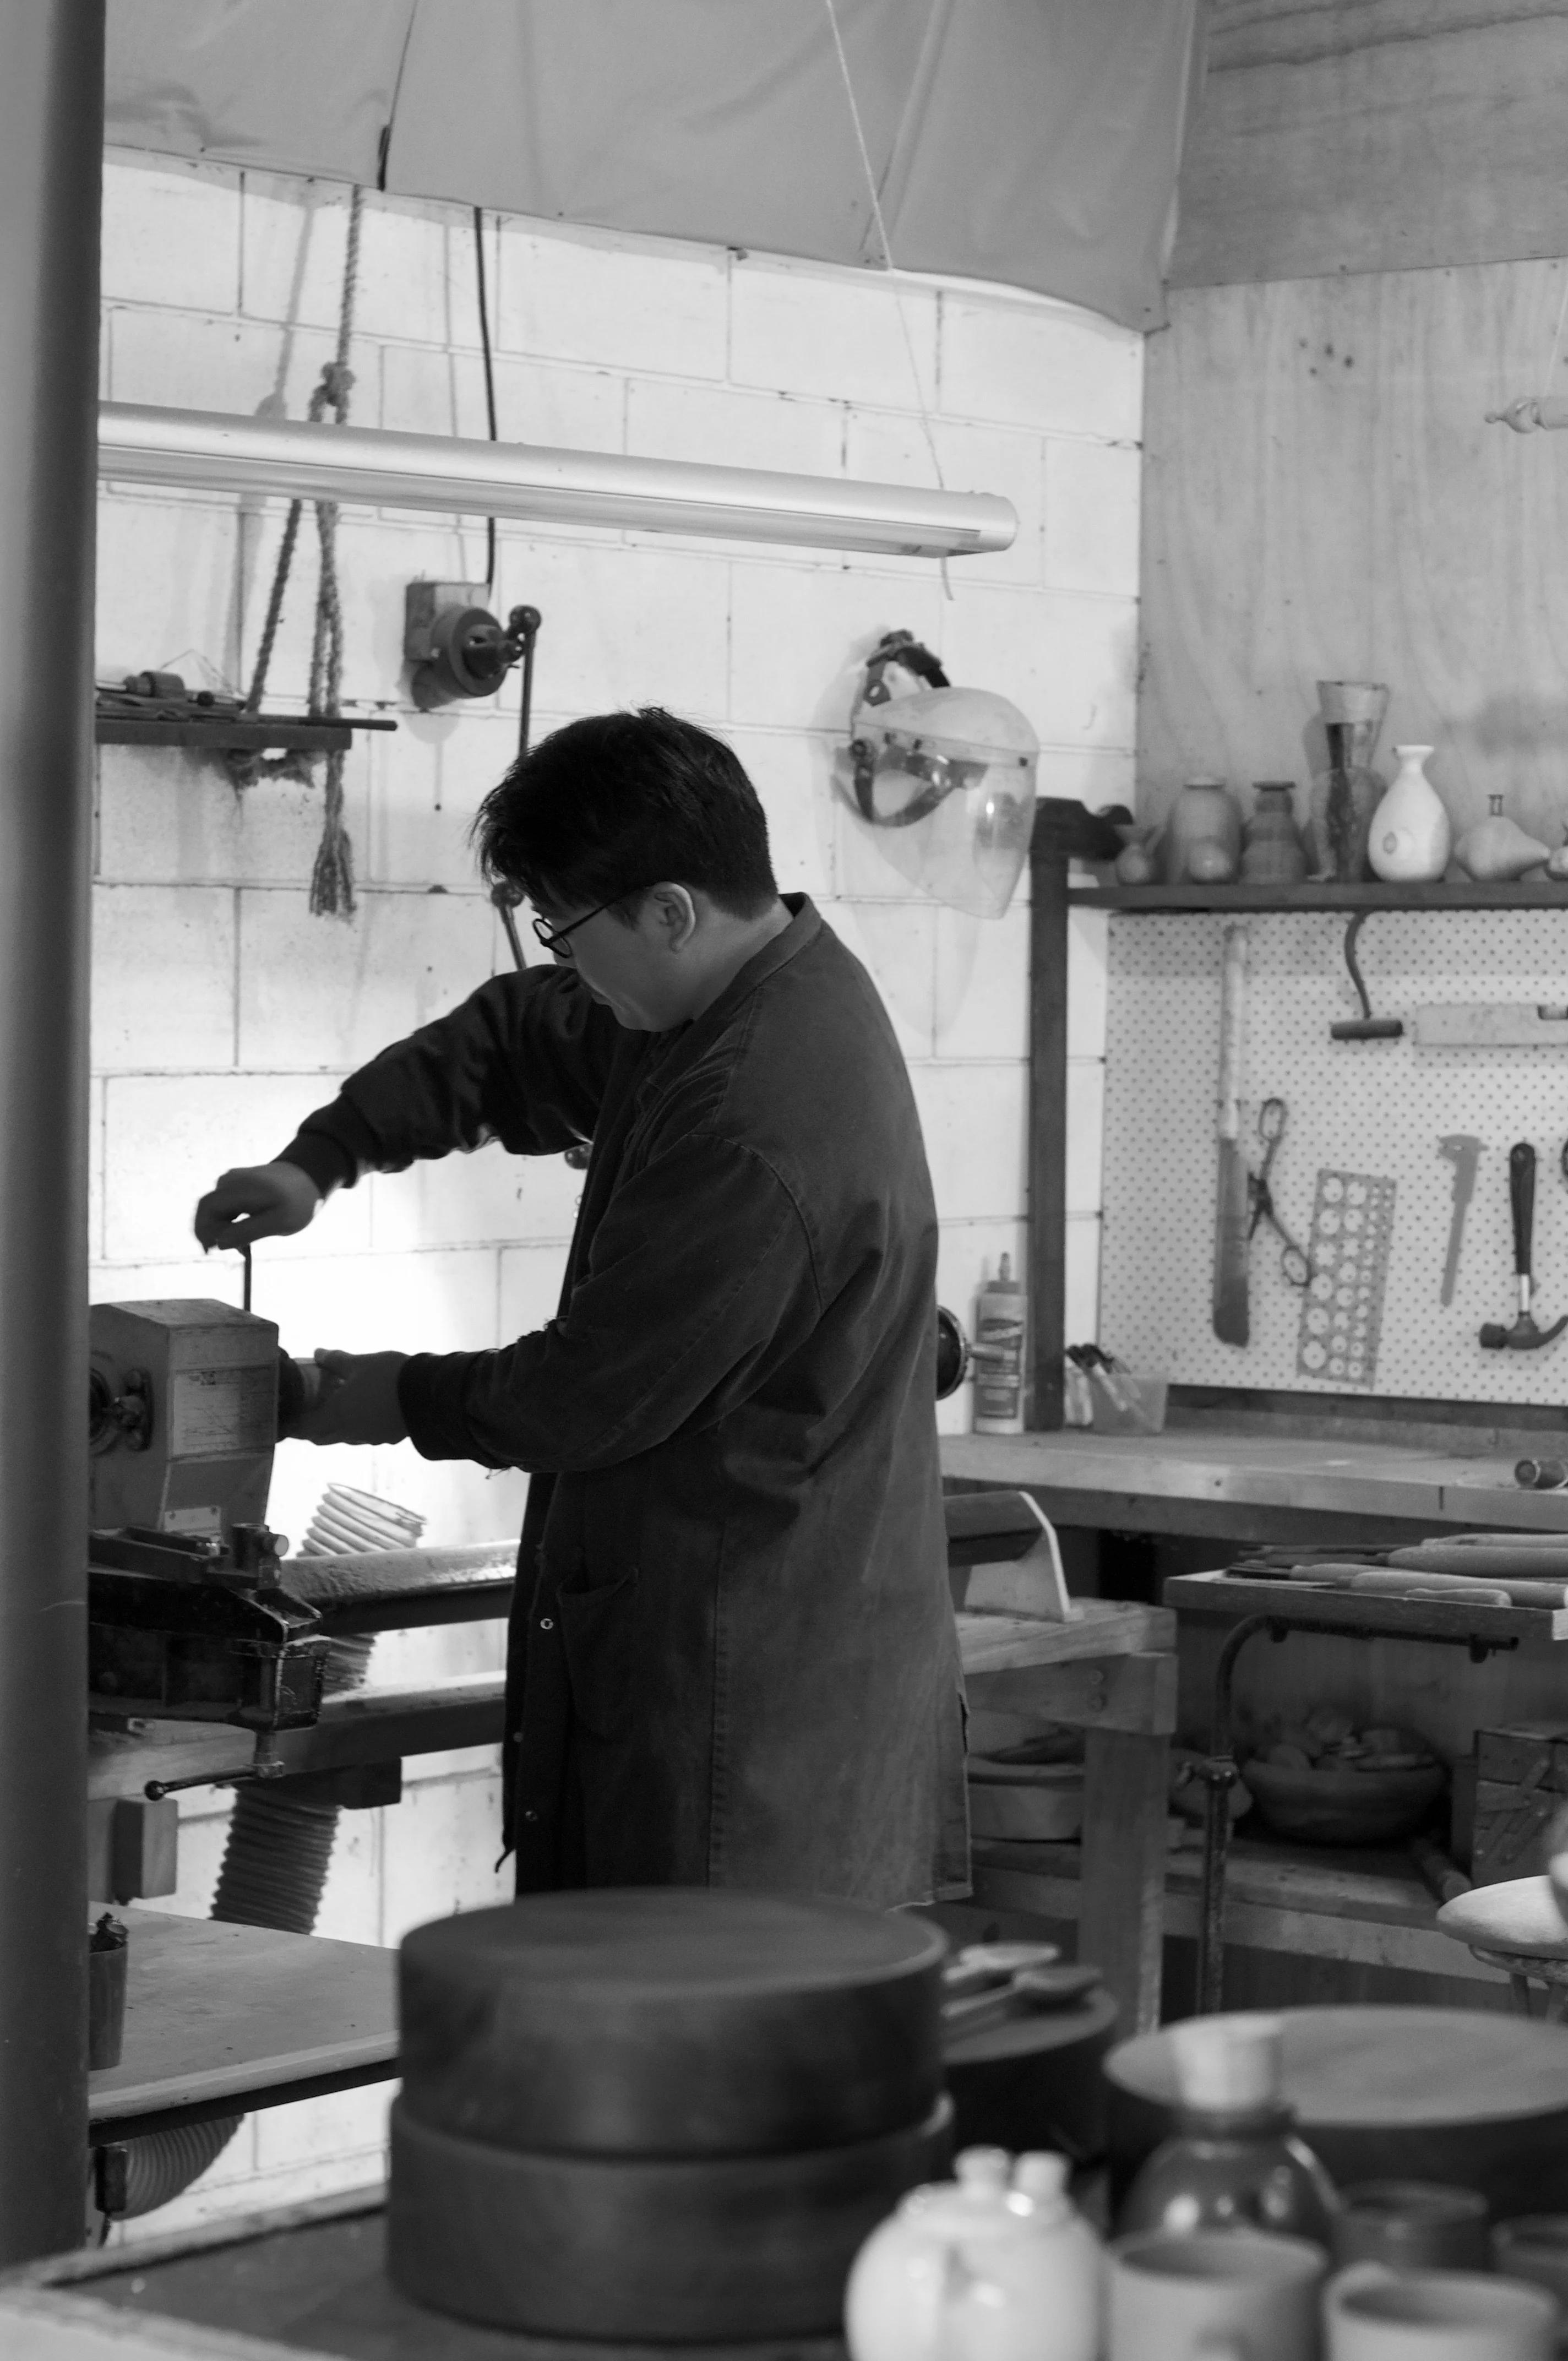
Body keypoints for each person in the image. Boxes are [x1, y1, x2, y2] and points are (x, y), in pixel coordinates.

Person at [194, 707, 966, 1907]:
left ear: (666, 909)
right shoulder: (707, 995)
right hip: (702, 1665)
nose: (560, 960)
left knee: (684, 2070)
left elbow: (589, 1391)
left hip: (749, 1728)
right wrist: (321, 1157)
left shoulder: (753, 1115)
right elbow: (514, 1043)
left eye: (562, 926)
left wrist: (361, 1392)